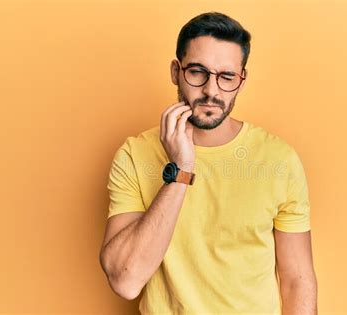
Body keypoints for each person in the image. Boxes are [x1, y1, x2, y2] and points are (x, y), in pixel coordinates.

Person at [99, 11, 318, 314]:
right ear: (176, 71)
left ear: (241, 81)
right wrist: (180, 171)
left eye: (226, 77)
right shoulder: (134, 155)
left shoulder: (279, 160)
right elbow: (125, 280)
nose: (211, 91)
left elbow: (297, 281)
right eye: (197, 72)